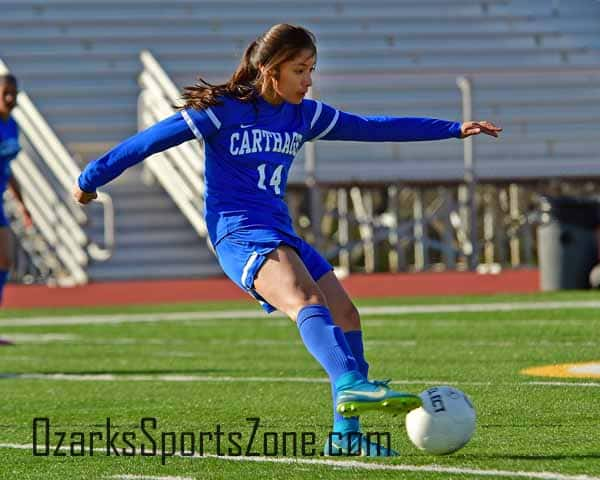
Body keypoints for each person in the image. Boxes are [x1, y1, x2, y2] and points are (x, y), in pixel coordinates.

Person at [73, 24, 501, 456]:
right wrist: (90, 180)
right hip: (238, 232)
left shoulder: (304, 115)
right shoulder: (223, 110)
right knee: (306, 301)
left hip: (279, 231)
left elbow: (372, 126)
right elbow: (146, 142)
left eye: (312, 69)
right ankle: (353, 384)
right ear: (269, 69)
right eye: (300, 70)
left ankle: (346, 434)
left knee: (346, 315)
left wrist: (451, 128)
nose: (309, 80)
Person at [0, 73, 31, 337]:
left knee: (4, 260)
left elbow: (7, 170)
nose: (9, 98)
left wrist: (23, 205)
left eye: (13, 93)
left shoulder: (12, 126)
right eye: (4, 93)